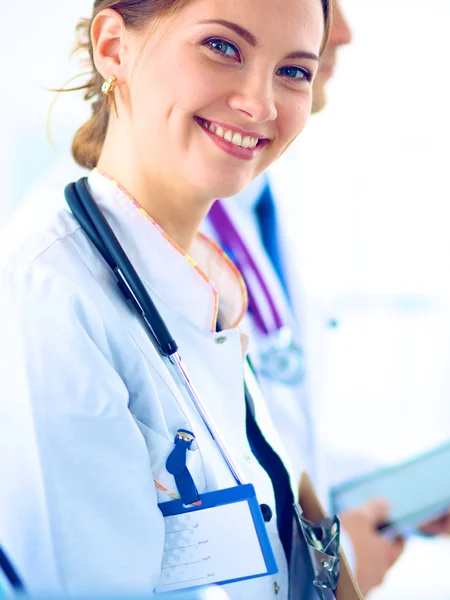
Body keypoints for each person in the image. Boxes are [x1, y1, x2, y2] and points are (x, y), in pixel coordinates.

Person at [0, 0, 333, 597]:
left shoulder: (199, 280)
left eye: (295, 71)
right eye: (223, 47)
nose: (261, 104)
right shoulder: (51, 291)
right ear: (113, 47)